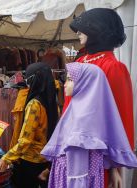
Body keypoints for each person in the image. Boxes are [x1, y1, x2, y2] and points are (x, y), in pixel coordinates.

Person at [65, 8, 135, 186]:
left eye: (84, 28)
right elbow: (68, 107)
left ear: (97, 29)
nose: (78, 32)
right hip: (71, 146)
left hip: (96, 151)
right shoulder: (79, 62)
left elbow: (119, 116)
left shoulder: (113, 67)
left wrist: (114, 166)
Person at [41, 63, 137, 188]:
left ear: (85, 83)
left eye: (70, 80)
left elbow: (77, 174)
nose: (65, 84)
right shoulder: (86, 110)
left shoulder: (82, 119)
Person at [0, 63, 59, 188]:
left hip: (31, 161)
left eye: (28, 77)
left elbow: (26, 139)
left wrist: (7, 157)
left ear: (34, 79)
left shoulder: (34, 104)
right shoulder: (52, 102)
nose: (26, 81)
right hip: (45, 159)